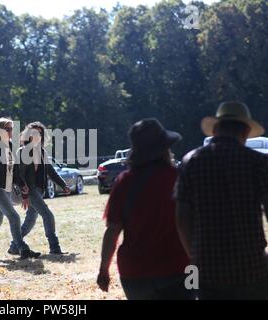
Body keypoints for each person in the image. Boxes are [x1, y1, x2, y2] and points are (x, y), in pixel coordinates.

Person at [176, 101, 268, 300]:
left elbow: (182, 218)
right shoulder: (258, 163)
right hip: (252, 267)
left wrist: (194, 256)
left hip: (208, 270)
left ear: (215, 131)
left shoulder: (190, 161)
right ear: (245, 131)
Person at [97, 119, 193, 300]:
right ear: (165, 149)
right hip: (180, 269)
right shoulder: (179, 177)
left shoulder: (124, 182)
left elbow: (112, 230)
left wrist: (103, 270)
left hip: (134, 275)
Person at [0, 117, 41, 260]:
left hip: (7, 189)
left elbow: (15, 170)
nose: (11, 131)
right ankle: (22, 248)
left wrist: (21, 184)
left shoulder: (11, 146)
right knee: (14, 217)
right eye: (7, 129)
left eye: (11, 128)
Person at [8, 122, 71, 256]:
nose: (38, 136)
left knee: (30, 220)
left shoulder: (42, 152)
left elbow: (51, 171)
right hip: (29, 191)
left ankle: (14, 246)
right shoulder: (23, 151)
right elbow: (18, 174)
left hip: (39, 190)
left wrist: (63, 184)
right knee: (48, 215)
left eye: (40, 133)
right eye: (34, 133)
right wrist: (24, 195)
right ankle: (55, 247)